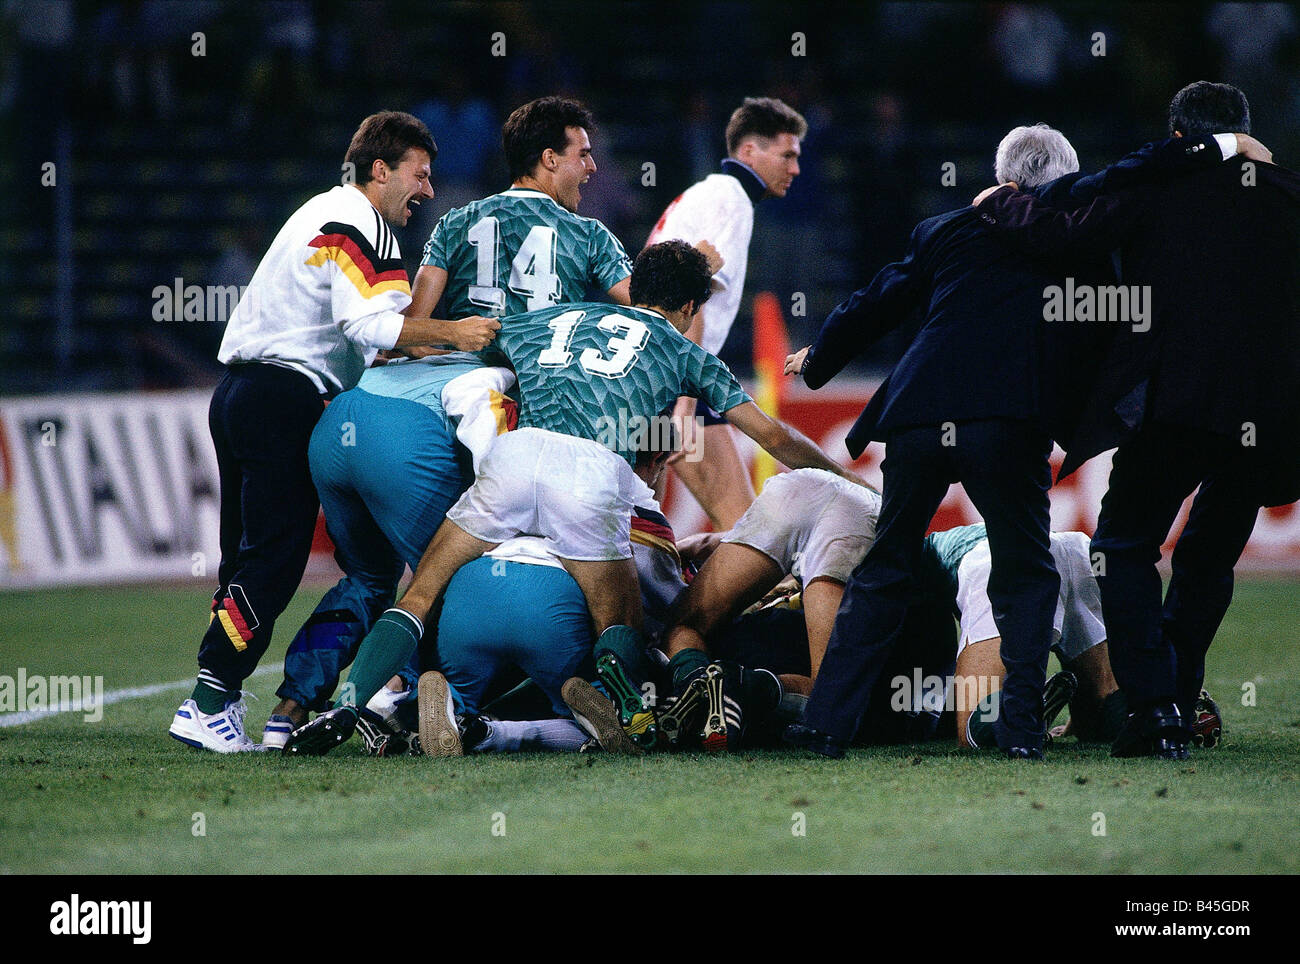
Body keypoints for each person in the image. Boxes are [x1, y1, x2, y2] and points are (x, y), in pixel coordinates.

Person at [283, 240, 863, 756]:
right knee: (620, 618)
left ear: (634, 286)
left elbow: (471, 343)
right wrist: (849, 481)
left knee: (419, 591)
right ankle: (629, 706)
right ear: (690, 309)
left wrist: (401, 349)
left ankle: (351, 705)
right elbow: (773, 437)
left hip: (516, 457)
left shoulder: (553, 317)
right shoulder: (688, 353)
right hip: (593, 474)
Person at [974, 82, 1299, 758]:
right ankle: (1177, 693)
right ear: (1242, 131)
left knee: (1123, 547)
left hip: (1175, 403)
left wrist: (1004, 202)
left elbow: (1064, 234)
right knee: (1209, 556)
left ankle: (1154, 710)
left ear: (1179, 136)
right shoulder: (1287, 196)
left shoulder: (1159, 187)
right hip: (1266, 415)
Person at [168, 111, 499, 753]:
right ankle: (210, 702)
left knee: (245, 558)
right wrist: (458, 334)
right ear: (381, 170)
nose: (427, 191)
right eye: (420, 175)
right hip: (285, 398)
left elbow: (375, 330)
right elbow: (370, 328)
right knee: (276, 559)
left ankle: (221, 697)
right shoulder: (362, 221)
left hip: (237, 392)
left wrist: (429, 341)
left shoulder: (318, 210)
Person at [258, 352, 516, 748]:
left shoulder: (434, 345)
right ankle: (392, 700)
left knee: (367, 579)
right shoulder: (502, 379)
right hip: (402, 438)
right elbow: (498, 479)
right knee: (441, 582)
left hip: (338, 425)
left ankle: (289, 707)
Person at [647, 97, 807, 529]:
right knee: (747, 532)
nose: (795, 168)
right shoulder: (731, 200)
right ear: (750, 152)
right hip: (673, 382)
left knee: (639, 527)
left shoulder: (708, 193)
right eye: (787, 155)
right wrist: (683, 406)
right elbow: (689, 300)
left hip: (647, 377)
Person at [408, 96, 633, 323]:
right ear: (550, 159)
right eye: (583, 155)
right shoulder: (590, 235)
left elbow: (413, 328)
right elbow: (652, 312)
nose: (592, 167)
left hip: (465, 358)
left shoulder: (454, 223)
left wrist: (445, 350)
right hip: (548, 358)